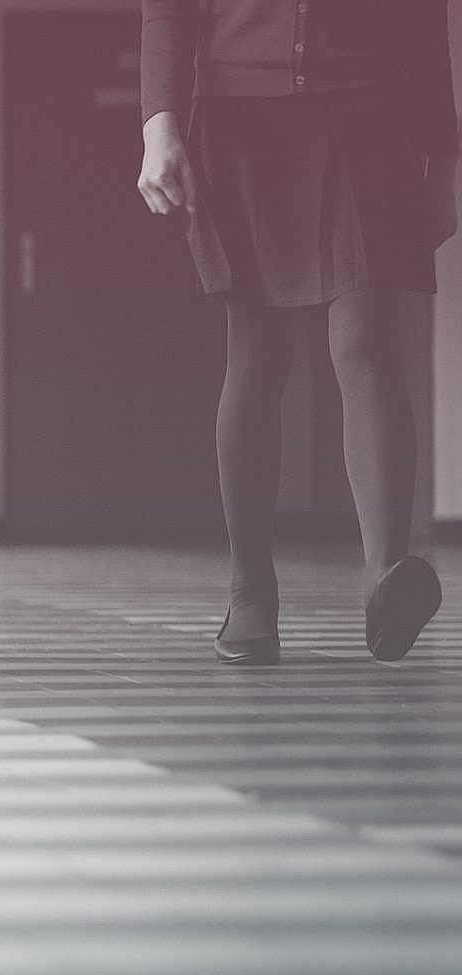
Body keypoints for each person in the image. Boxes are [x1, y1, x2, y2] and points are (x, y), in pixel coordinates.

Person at [140, 0, 457, 665]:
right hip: (243, 118)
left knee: (365, 338)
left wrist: (446, 153)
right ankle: (250, 592)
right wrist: (158, 121)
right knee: (257, 351)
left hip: (372, 111)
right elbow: (166, 8)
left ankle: (385, 576)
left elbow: (423, 14)